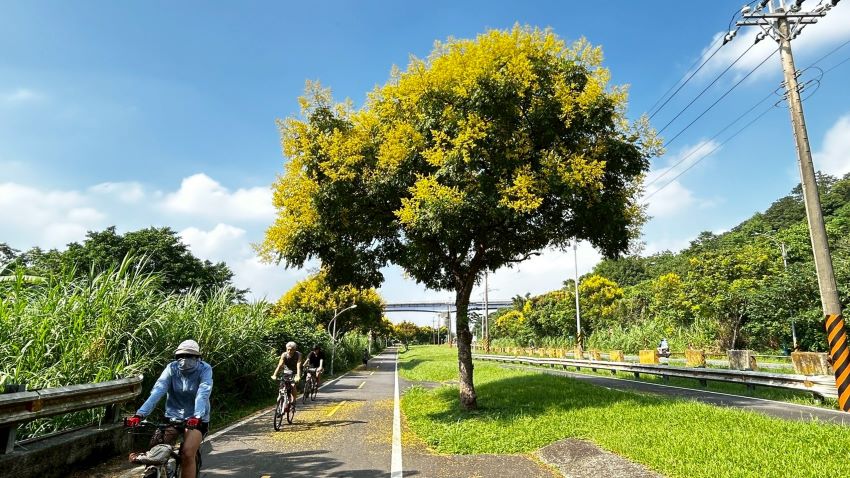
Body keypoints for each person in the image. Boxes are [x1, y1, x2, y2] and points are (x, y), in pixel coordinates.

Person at [126, 339, 212, 478]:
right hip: (173, 416)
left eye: (189, 356)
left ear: (198, 358)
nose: (184, 359)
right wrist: (139, 415)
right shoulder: (171, 368)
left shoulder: (205, 369)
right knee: (154, 451)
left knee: (187, 453)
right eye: (180, 356)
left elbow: (203, 393)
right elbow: (157, 392)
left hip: (196, 419)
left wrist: (197, 416)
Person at [271, 341, 302, 411]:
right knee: (281, 387)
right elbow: (280, 365)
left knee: (293, 385)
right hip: (286, 372)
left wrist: (298, 376)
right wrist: (274, 375)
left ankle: (293, 401)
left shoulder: (298, 354)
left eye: (291, 350)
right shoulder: (284, 355)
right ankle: (280, 405)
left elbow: (298, 365)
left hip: (295, 372)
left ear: (294, 349)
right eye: (288, 349)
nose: (289, 351)